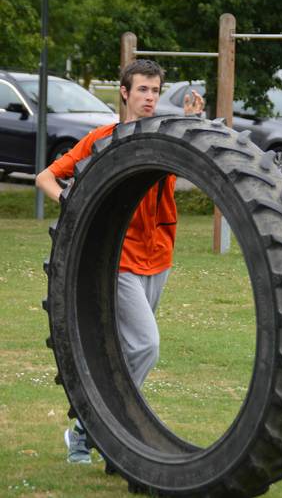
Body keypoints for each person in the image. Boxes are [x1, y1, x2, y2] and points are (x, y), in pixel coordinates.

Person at [36, 59, 204, 465]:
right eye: (142, 90)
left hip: (159, 256)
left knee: (128, 349)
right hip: (119, 260)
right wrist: (73, 203)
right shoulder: (102, 139)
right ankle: (87, 428)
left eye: (155, 90)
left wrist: (193, 123)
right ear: (124, 93)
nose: (149, 97)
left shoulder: (164, 136)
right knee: (146, 345)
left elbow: (197, 168)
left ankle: (114, 438)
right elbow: (45, 177)